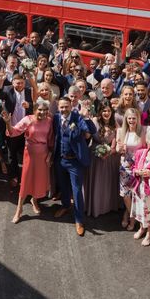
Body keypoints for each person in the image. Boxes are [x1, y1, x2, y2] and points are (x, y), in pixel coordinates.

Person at [3, 98, 54, 224]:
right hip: (30, 155)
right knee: (26, 182)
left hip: (43, 156)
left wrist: (50, 155)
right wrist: (8, 123)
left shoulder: (49, 121)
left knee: (39, 180)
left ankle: (34, 201)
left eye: (45, 110)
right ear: (35, 110)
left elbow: (51, 140)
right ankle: (19, 209)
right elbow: (13, 132)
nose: (42, 112)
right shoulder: (28, 119)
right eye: (40, 110)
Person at [53, 97, 97, 236]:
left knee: (77, 191)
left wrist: (86, 117)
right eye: (61, 107)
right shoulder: (55, 118)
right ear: (58, 107)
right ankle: (65, 206)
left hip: (75, 162)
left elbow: (92, 130)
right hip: (60, 159)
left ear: (71, 106)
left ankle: (79, 220)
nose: (64, 109)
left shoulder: (78, 117)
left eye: (66, 106)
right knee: (63, 186)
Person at [84, 100, 121, 218]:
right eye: (104, 110)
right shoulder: (94, 121)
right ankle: (95, 206)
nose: (106, 113)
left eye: (109, 110)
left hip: (110, 158)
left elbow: (116, 140)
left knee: (107, 182)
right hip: (95, 156)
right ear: (100, 112)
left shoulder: (114, 123)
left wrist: (111, 150)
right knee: (97, 181)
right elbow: (87, 136)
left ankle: (107, 205)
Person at [0, 72, 34, 187]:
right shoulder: (8, 90)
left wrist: (29, 105)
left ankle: (25, 177)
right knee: (12, 154)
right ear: (13, 83)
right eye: (17, 83)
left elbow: (34, 105)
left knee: (24, 154)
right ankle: (14, 176)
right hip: (11, 127)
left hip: (25, 130)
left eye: (22, 83)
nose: (19, 85)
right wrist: (1, 81)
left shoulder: (29, 91)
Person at [117, 107, 148, 230]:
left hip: (138, 166)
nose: (131, 120)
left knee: (135, 194)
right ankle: (131, 215)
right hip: (125, 166)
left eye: (134, 118)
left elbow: (147, 148)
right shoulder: (121, 131)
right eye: (129, 118)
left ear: (138, 119)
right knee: (125, 195)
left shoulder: (143, 131)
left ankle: (129, 216)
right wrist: (120, 149)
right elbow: (119, 149)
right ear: (126, 119)